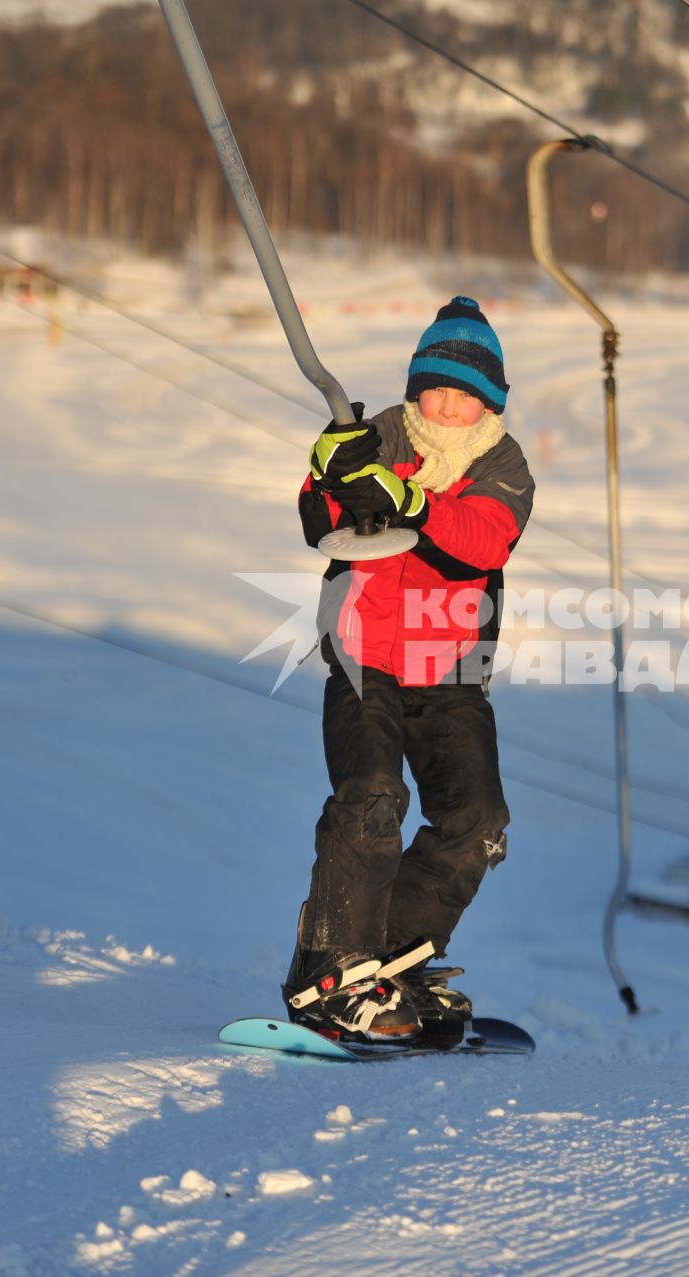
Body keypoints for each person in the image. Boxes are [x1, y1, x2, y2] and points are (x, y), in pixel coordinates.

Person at [288, 296, 534, 1043]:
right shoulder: (380, 437)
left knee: (478, 822)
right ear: (415, 386)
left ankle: (390, 957)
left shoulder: (504, 464)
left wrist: (411, 502)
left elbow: (480, 542)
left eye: (464, 394)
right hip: (367, 665)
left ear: (488, 401)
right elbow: (318, 519)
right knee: (372, 796)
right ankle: (327, 970)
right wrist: (329, 474)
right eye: (435, 388)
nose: (447, 405)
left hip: (452, 676)